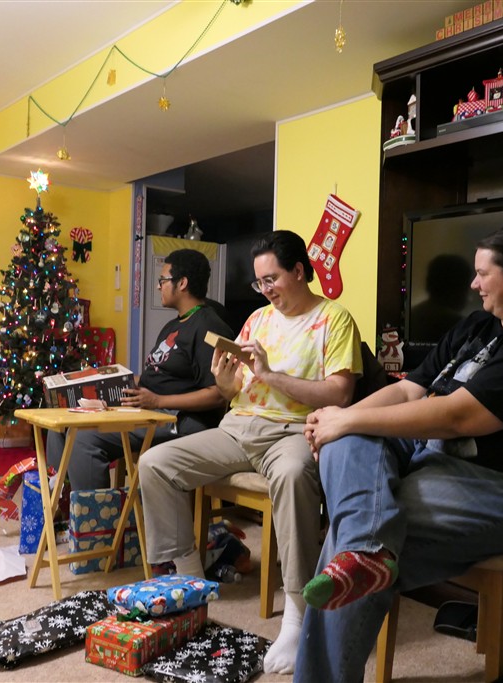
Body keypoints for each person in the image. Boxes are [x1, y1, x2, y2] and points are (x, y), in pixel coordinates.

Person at [295, 225, 503, 680]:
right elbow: (408, 391)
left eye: (482, 273)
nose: (474, 284)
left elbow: (459, 417)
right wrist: (339, 420)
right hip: (439, 464)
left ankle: (363, 553)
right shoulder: (478, 325)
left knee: (357, 528)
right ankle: (366, 552)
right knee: (350, 460)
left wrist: (347, 420)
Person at [138, 230, 362, 675]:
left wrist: (271, 375)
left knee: (294, 476)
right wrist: (225, 382)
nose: (266, 290)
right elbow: (234, 390)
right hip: (239, 428)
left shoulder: (334, 319)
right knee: (155, 464)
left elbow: (340, 393)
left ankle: (297, 612)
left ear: (299, 271)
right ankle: (191, 578)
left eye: (272, 279)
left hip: (294, 430)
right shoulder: (257, 320)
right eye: (259, 282)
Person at [46, 249, 233, 490]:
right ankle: (61, 500)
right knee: (61, 422)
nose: (158, 286)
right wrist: (104, 377)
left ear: (182, 283)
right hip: (147, 408)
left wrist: (157, 400)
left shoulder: (210, 327)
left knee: (85, 438)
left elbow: (218, 394)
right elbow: (157, 377)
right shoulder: (172, 326)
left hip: (177, 419)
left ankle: (95, 514)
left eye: (163, 280)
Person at [409, 253, 473, 343]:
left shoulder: (412, 316)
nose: (470, 298)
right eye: (467, 287)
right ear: (458, 288)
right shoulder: (459, 326)